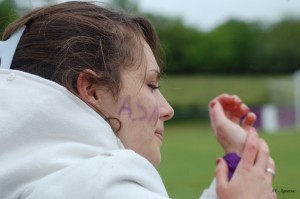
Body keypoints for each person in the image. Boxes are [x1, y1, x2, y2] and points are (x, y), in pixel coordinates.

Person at [0, 1, 276, 198]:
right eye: (151, 84)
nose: (167, 110)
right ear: (92, 90)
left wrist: (237, 165)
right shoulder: (105, 184)